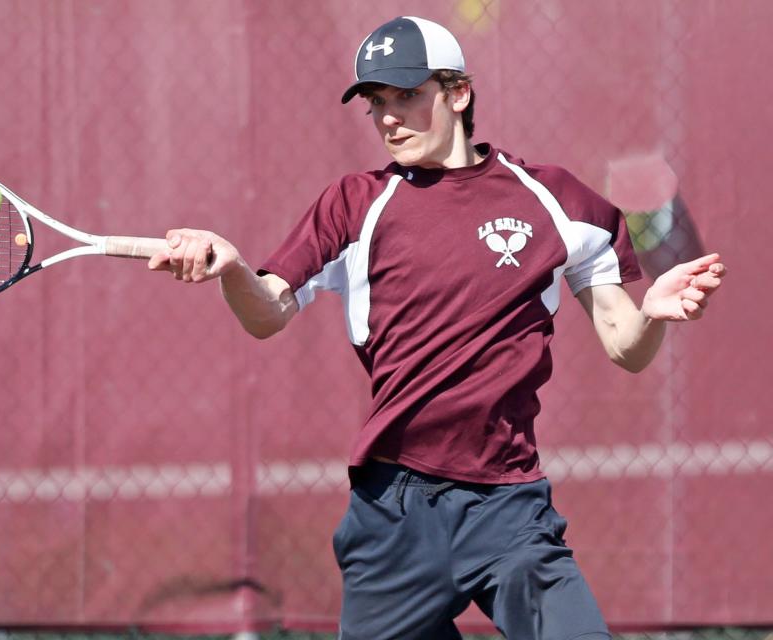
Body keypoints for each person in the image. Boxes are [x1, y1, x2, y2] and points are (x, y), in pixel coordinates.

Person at [147, 16, 727, 640]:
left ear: (457, 93)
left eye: (406, 96)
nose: (388, 118)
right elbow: (267, 312)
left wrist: (654, 315)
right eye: (376, 104)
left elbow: (626, 347)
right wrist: (232, 266)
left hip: (508, 509)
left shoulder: (558, 201)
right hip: (393, 515)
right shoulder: (353, 204)